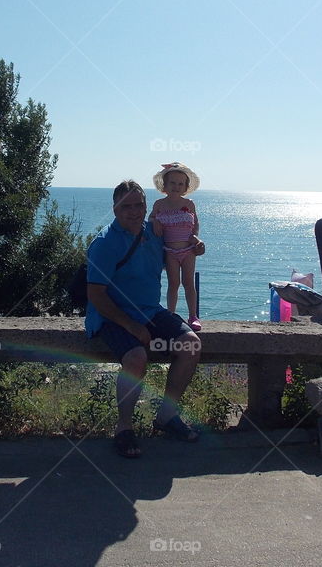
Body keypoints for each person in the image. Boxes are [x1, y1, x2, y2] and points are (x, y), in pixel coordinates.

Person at [85, 179, 204, 458]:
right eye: (126, 206)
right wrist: (132, 326)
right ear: (115, 209)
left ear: (147, 206)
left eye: (139, 204)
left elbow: (177, 249)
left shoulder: (154, 233)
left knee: (191, 344)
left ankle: (166, 415)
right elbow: (96, 295)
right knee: (137, 357)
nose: (134, 211)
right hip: (112, 316)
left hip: (149, 310)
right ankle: (123, 428)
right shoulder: (105, 244)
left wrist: (194, 244)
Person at [150, 162, 204, 331]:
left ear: (186, 187)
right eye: (172, 182)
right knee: (173, 284)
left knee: (189, 283)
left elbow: (195, 224)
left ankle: (193, 316)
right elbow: (150, 220)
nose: (176, 186)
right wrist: (156, 221)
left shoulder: (189, 203)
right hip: (170, 251)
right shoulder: (159, 204)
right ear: (164, 185)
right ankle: (170, 314)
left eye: (180, 183)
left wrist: (196, 239)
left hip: (188, 250)